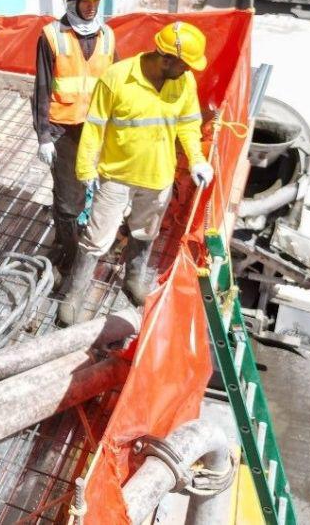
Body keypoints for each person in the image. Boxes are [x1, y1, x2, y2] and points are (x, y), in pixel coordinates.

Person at [63, 23, 215, 324]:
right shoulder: (118, 79)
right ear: (166, 58)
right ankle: (74, 294)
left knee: (146, 231)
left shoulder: (183, 83)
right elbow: (95, 126)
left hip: (158, 177)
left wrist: (197, 159)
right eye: (184, 64)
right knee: (97, 237)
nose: (188, 71)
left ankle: (133, 279)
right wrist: (85, 169)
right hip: (116, 176)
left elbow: (187, 124)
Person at [33, 0, 117, 280]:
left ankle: (91, 239)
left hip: (98, 128)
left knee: (98, 190)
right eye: (85, 0)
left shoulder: (108, 37)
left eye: (95, 0)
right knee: (68, 201)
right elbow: (42, 89)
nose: (91, 6)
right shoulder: (52, 37)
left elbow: (117, 85)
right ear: (72, 0)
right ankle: (68, 254)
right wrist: (43, 136)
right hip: (64, 130)